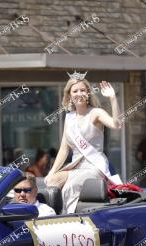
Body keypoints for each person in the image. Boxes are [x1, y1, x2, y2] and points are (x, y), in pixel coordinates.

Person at [44, 71, 122, 213]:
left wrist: (113, 98)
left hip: (94, 166)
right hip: (75, 166)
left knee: (70, 186)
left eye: (82, 90)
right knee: (51, 182)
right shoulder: (69, 118)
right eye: (75, 91)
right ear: (69, 95)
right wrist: (51, 172)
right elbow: (63, 149)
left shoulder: (96, 113)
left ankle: (71, 220)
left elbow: (116, 125)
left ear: (88, 93)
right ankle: (52, 216)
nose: (79, 93)